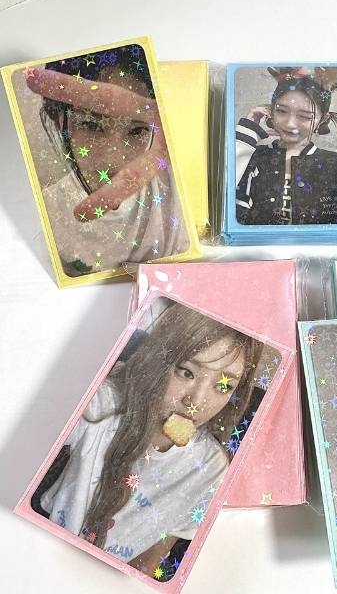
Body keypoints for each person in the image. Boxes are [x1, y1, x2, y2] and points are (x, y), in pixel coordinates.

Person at [35, 303, 263, 581]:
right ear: (157, 360)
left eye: (223, 386)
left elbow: (155, 554)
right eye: (186, 372)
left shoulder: (211, 468)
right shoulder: (101, 406)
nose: (197, 401)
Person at [23, 44, 189, 277]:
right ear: (58, 119)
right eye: (90, 125)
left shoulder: (181, 188)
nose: (114, 159)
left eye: (137, 131)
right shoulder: (44, 215)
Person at [235, 66, 337, 225]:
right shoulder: (249, 156)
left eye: (304, 116)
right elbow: (220, 198)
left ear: (322, 120)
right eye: (282, 111)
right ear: (270, 111)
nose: (290, 123)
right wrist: (247, 133)